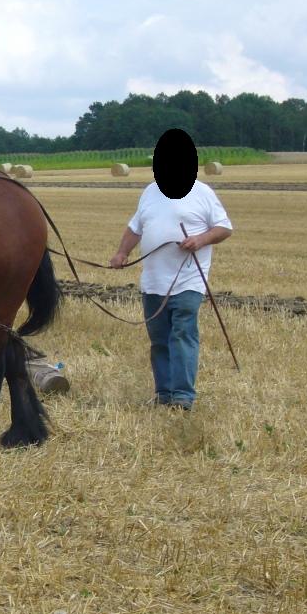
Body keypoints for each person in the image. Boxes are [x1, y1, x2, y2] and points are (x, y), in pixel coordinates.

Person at [109, 129, 232, 410]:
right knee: (159, 340)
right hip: (152, 282)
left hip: (188, 279)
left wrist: (201, 239)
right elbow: (134, 227)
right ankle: (164, 394)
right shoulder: (150, 192)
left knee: (182, 334)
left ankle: (183, 397)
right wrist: (121, 252)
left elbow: (224, 227)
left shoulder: (202, 192)